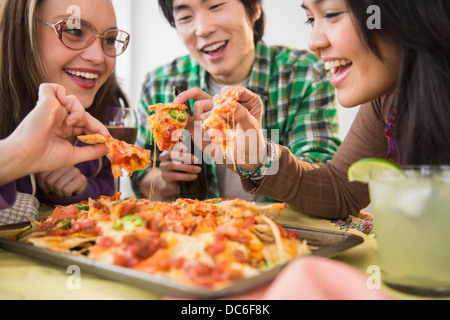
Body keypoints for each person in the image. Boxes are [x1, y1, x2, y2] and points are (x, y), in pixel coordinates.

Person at [175, 0, 450, 219]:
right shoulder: (387, 98)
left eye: (331, 14)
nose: (314, 42)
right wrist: (256, 159)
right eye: (310, 18)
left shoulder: (303, 73)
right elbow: (341, 191)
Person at [133, 0, 341, 201]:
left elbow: (321, 183)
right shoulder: (159, 84)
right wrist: (166, 181)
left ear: (255, 8)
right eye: (185, 16)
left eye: (216, 6)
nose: (203, 29)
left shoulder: (304, 74)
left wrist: (258, 157)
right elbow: (140, 175)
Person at [0, 0, 130, 205]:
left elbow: (109, 187)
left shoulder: (108, 104)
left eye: (110, 39)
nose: (98, 57)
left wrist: (83, 188)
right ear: (22, 30)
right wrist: (22, 153)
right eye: (73, 31)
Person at [0, 84, 110, 210]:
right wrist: (24, 152)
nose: (97, 62)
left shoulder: (105, 103)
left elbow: (107, 185)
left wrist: (83, 189)